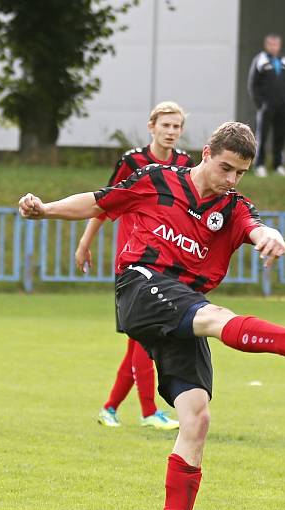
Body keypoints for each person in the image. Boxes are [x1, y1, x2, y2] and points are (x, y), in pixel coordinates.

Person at [19, 121, 285, 510]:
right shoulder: (157, 180)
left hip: (182, 305)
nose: (231, 179)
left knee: (196, 418)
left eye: (240, 172)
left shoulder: (233, 207)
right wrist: (44, 209)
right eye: (226, 167)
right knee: (216, 317)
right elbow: (98, 202)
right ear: (206, 153)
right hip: (141, 286)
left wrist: (267, 235)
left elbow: (254, 227)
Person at [74, 101, 194, 431]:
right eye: (165, 125)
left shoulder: (185, 163)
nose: (171, 131)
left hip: (168, 261)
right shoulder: (133, 162)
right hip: (134, 259)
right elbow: (104, 203)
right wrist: (86, 242)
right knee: (144, 337)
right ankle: (147, 412)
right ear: (151, 126)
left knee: (141, 339)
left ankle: (111, 407)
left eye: (176, 126)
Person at [247, 34, 285, 177]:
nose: (273, 47)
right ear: (266, 45)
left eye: (276, 44)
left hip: (283, 106)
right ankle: (259, 165)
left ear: (279, 46)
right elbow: (252, 84)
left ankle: (278, 165)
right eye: (271, 44)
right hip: (266, 106)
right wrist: (259, 103)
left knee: (281, 135)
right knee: (262, 135)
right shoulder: (260, 60)